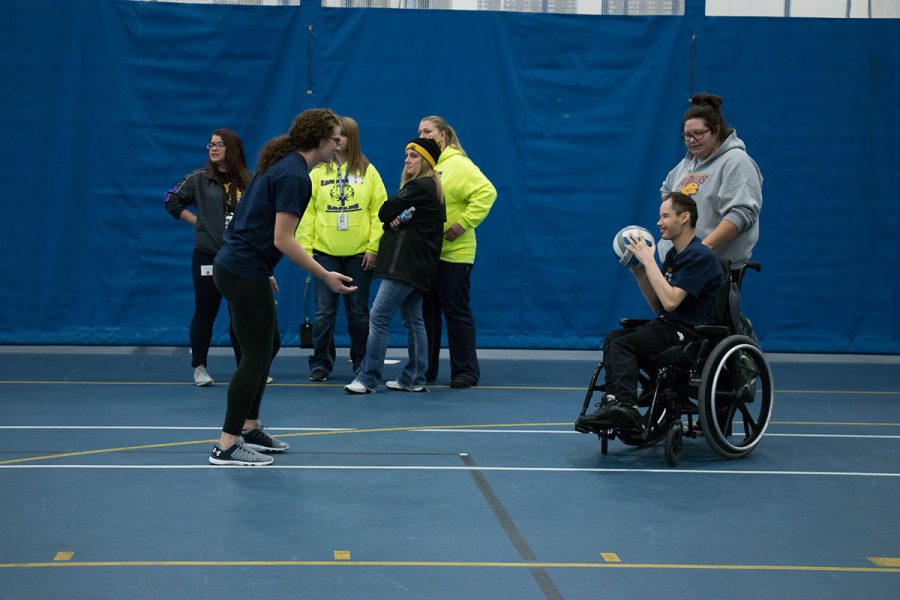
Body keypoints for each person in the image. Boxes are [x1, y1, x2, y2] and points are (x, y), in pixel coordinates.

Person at [210, 108, 357, 466]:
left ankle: (249, 426)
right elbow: (283, 239)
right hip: (242, 271)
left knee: (268, 345)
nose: (340, 144)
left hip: (244, 267)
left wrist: (264, 269)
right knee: (255, 355)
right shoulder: (295, 176)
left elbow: (251, 220)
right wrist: (325, 275)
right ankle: (227, 444)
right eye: (336, 137)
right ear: (320, 140)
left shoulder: (285, 164)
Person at [577, 193, 723, 431]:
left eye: (665, 216)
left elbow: (672, 301)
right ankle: (613, 402)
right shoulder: (676, 255)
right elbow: (660, 306)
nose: (659, 222)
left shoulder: (700, 256)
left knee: (624, 346)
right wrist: (639, 272)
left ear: (684, 217)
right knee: (614, 338)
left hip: (691, 333)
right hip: (670, 325)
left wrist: (649, 261)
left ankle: (626, 406)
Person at [344, 138, 445, 395]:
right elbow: (391, 217)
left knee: (378, 317)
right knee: (414, 320)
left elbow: (384, 211)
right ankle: (413, 378)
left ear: (426, 161)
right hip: (417, 266)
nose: (407, 159)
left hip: (405, 266)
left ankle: (367, 378)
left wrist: (395, 218)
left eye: (413, 156)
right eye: (407, 155)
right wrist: (397, 219)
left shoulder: (420, 186)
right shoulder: (430, 187)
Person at [297, 116, 387, 381]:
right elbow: (306, 213)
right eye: (333, 138)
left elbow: (378, 212)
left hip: (359, 255)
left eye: (342, 137)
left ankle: (361, 362)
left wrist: (373, 248)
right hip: (325, 254)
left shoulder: (368, 171)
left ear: (352, 139)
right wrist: (306, 250)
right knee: (324, 313)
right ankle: (321, 363)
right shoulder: (317, 173)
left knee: (359, 314)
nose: (337, 143)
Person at [164, 129, 251, 387]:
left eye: (220, 145)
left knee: (241, 315)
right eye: (211, 145)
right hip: (207, 257)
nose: (213, 149)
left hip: (240, 260)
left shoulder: (251, 180)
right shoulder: (199, 179)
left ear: (232, 149)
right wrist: (197, 221)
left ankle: (246, 367)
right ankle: (199, 367)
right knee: (205, 312)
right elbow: (171, 199)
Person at [416, 116, 497, 388]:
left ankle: (464, 372)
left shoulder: (459, 165)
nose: (423, 134)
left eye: (428, 131)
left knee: (455, 311)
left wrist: (463, 224)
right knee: (427, 313)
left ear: (443, 136)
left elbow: (487, 192)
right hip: (426, 253)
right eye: (419, 131)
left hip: (455, 254)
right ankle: (425, 369)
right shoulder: (425, 165)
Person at [660, 93, 762, 267]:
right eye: (687, 135)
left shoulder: (736, 161)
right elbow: (666, 194)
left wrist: (699, 250)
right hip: (677, 267)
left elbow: (740, 215)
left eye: (698, 134)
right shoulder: (684, 166)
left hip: (712, 270)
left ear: (716, 130)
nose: (692, 140)